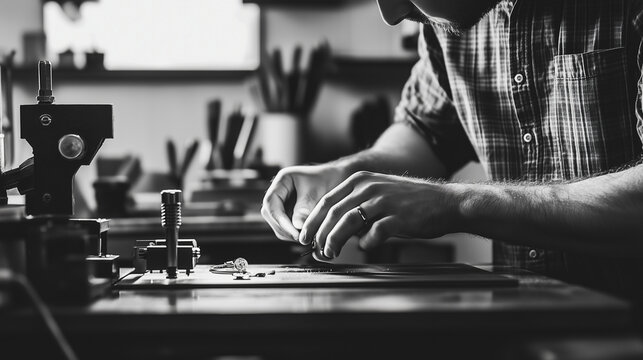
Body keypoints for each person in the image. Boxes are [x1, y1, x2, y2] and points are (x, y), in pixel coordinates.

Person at [262, 0, 643, 311]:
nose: (391, 14)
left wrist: (459, 205)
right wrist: (346, 174)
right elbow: (425, 132)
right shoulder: (448, 24)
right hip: (526, 325)